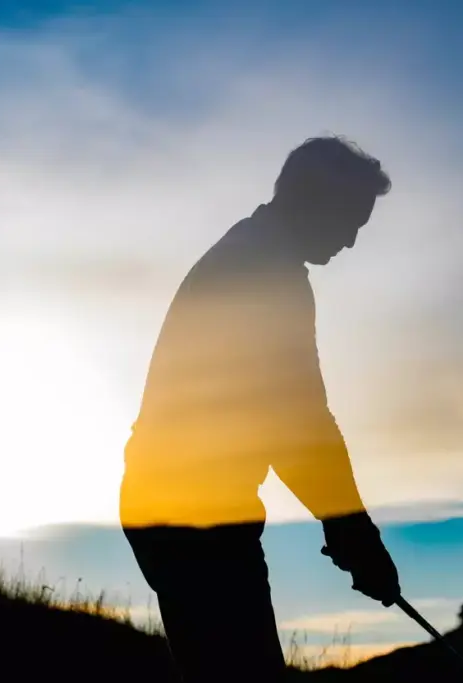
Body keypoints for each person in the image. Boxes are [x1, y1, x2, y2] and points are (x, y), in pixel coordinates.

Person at [119, 135, 401, 682]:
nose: (349, 243)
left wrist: (346, 528)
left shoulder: (252, 253)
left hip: (175, 507)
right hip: (193, 516)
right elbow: (297, 420)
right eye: (351, 223)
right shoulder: (267, 270)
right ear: (319, 200)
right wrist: (353, 531)